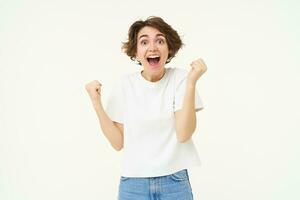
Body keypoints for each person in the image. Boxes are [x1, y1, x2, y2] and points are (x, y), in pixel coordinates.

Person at [85, 16, 207, 200]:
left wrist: (191, 84)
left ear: (169, 48)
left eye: (160, 40)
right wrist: (96, 103)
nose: (152, 47)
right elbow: (118, 143)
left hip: (174, 182)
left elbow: (183, 134)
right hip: (133, 184)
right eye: (144, 42)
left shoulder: (181, 79)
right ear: (135, 51)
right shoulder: (124, 85)